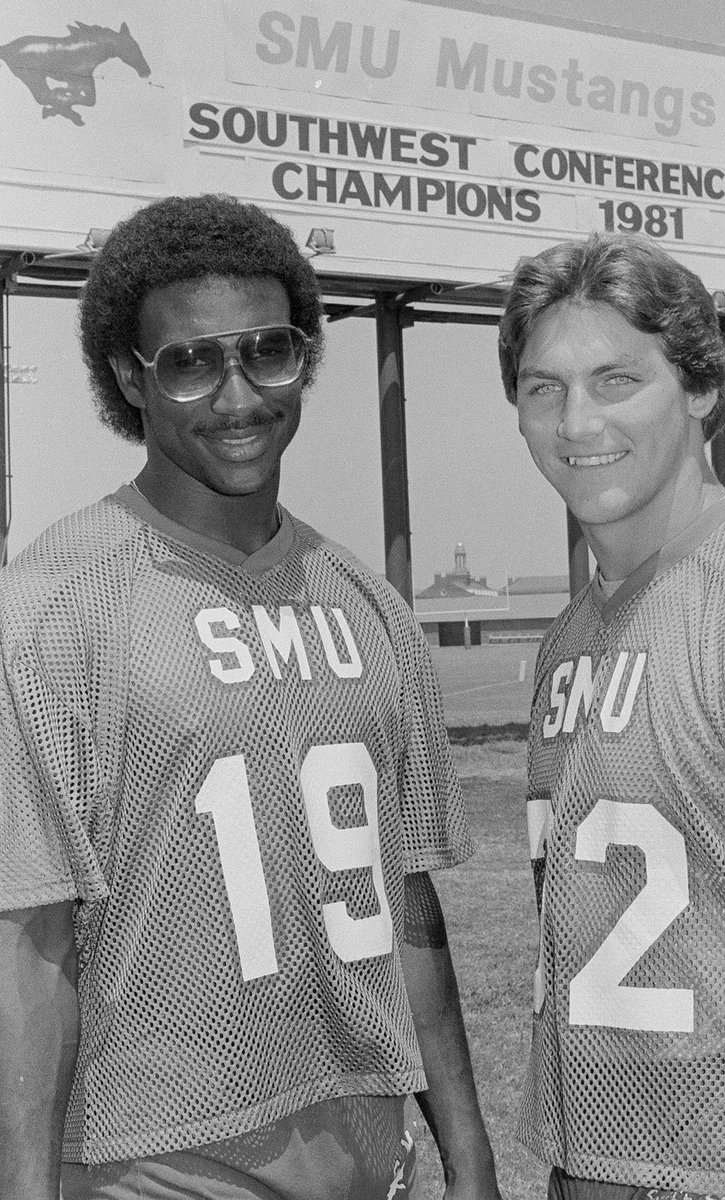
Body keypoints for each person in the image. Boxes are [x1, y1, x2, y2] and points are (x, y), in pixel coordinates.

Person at [0, 192, 501, 1200]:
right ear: (127, 380)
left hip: (365, 1148)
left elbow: (405, 902)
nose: (237, 396)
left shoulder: (366, 600)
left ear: (303, 356)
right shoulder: (53, 606)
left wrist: (471, 1157)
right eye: (189, 361)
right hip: (157, 1162)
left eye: (268, 351)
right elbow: (28, 942)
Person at [497, 231, 725, 1199]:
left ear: (697, 389)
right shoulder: (570, 640)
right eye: (542, 389)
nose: (575, 422)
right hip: (593, 1162)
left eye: (615, 381)